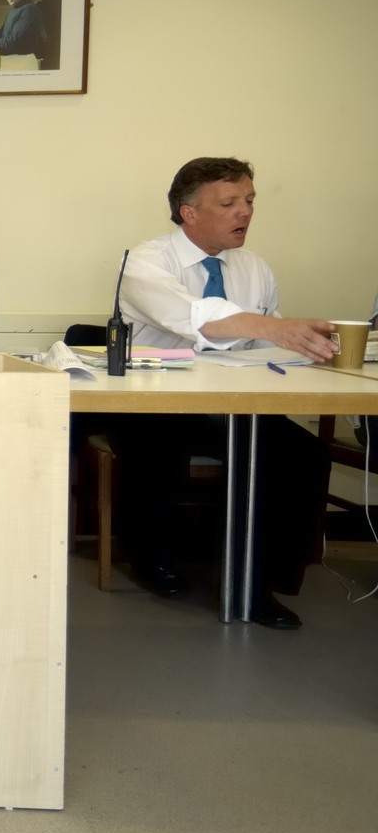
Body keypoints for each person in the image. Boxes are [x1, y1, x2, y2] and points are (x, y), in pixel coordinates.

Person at [111, 157, 333, 628]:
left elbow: (263, 349)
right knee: (158, 442)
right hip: (155, 400)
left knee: (302, 453)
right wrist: (274, 328)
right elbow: (197, 318)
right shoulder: (147, 261)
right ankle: (147, 556)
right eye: (229, 203)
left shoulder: (255, 268)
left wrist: (306, 346)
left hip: (233, 401)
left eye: (249, 200)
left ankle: (258, 583)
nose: (245, 212)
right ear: (189, 213)